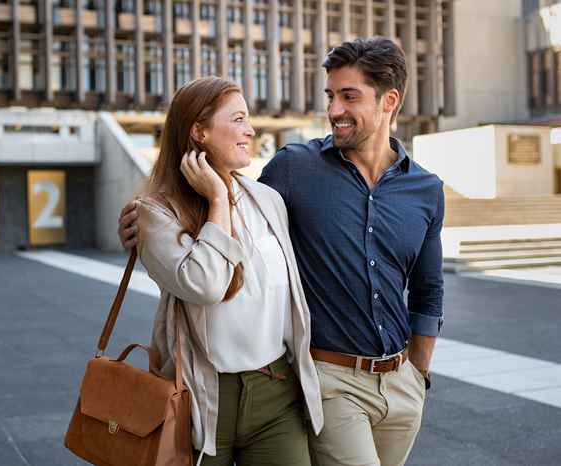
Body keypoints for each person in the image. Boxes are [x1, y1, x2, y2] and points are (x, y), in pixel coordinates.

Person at [120, 37, 444, 466]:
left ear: (389, 100)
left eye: (349, 97)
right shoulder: (293, 169)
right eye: (331, 96)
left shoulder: (424, 189)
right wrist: (144, 222)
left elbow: (428, 285)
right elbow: (204, 249)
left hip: (388, 382)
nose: (333, 111)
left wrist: (418, 372)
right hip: (323, 380)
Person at [131, 76, 323, 466]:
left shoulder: (268, 200)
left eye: (248, 119)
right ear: (198, 131)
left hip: (275, 389)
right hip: (202, 396)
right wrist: (218, 198)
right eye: (237, 119)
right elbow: (204, 285)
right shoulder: (155, 213)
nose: (250, 130)